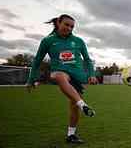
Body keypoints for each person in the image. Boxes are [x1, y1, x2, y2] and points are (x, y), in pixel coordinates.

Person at [26, 14, 98, 144]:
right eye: (66, 24)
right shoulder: (48, 41)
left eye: (72, 26)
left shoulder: (78, 41)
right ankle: (83, 105)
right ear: (58, 23)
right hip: (59, 72)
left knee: (73, 106)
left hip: (77, 75)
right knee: (59, 76)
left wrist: (92, 74)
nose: (69, 28)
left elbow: (87, 59)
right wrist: (31, 79)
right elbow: (37, 61)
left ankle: (71, 135)